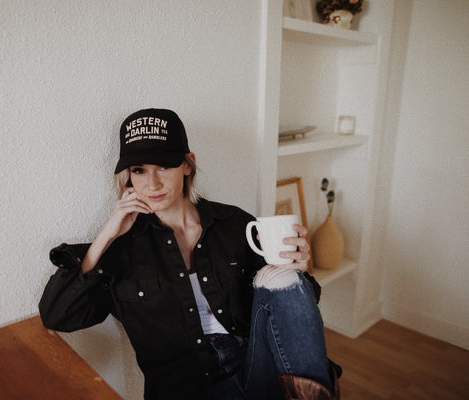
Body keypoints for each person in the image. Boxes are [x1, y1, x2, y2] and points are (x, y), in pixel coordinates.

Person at [39, 108, 340, 400]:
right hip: (184, 388)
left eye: (163, 167)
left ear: (188, 164)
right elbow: (58, 315)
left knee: (285, 278)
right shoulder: (121, 250)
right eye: (139, 171)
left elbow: (297, 307)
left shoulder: (234, 225)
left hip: (255, 365)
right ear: (128, 177)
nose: (152, 184)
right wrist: (107, 235)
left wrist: (296, 270)